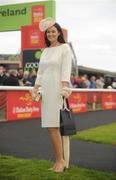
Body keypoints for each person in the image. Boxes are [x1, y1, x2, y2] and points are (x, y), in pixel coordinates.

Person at [32, 17, 72, 172]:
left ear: (58, 32)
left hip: (57, 91)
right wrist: (35, 88)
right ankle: (58, 160)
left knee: (55, 126)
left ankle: (61, 161)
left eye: (53, 31)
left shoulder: (65, 48)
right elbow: (41, 72)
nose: (50, 34)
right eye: (48, 32)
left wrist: (64, 87)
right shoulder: (45, 51)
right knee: (50, 127)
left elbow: (66, 69)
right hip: (46, 92)